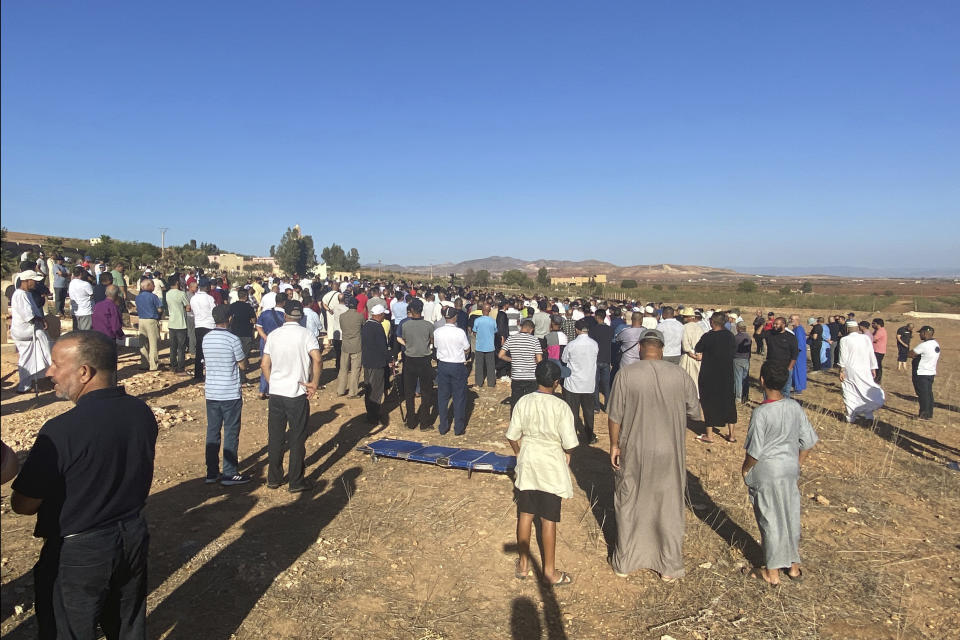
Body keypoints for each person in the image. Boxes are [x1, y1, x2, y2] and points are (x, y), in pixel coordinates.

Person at [11, 331, 157, 639]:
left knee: (68, 630)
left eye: (55, 364)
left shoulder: (61, 431)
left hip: (79, 552)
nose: (49, 372)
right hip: (132, 535)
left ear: (84, 372)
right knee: (128, 624)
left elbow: (23, 504)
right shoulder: (140, 412)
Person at [607, 329, 700, 580]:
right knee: (668, 505)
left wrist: (614, 445)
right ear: (661, 349)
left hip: (635, 449)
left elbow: (614, 416)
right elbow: (695, 412)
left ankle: (625, 562)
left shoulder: (626, 375)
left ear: (640, 348)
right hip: (670, 452)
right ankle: (668, 565)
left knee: (629, 502)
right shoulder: (679, 375)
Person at [741, 361, 818, 586]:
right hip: (789, 469)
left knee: (770, 519)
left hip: (767, 471)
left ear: (762, 381)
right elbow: (808, 441)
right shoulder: (794, 407)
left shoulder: (761, 412)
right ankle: (793, 567)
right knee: (790, 516)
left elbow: (754, 450)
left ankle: (771, 572)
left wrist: (746, 469)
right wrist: (797, 463)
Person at [507, 360, 579, 586]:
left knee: (525, 514)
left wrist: (519, 453)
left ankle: (523, 564)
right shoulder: (561, 407)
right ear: (556, 383)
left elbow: (512, 435)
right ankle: (549, 571)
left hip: (528, 460)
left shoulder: (524, 402)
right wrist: (567, 454)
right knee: (548, 519)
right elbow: (570, 443)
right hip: (550, 465)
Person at [261, 301, 321, 492]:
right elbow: (317, 358)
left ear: (285, 315)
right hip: (296, 393)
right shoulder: (306, 335)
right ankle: (295, 481)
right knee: (297, 438)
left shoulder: (274, 335)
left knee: (276, 436)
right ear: (301, 317)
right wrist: (314, 382)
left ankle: (274, 477)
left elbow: (264, 365)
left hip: (277, 393)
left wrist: (273, 382)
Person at [202, 305, 251, 485]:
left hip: (212, 392)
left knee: (212, 431)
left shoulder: (206, 339)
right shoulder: (233, 339)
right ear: (229, 319)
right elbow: (243, 365)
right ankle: (229, 473)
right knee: (231, 432)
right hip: (230, 392)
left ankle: (212, 472)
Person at [695, 314, 738, 443]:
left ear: (712, 322)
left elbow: (698, 348)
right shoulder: (730, 336)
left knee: (709, 402)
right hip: (727, 374)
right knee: (729, 401)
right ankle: (731, 435)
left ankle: (709, 435)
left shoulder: (708, 336)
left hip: (710, 374)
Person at [10, 270, 53, 393]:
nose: (35, 283)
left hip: (28, 329)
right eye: (33, 281)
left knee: (28, 357)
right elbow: (28, 315)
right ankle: (50, 363)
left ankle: (27, 384)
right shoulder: (20, 294)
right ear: (26, 281)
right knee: (42, 337)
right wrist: (42, 320)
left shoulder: (27, 293)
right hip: (24, 330)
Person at [398, 298, 435, 429]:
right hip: (424, 360)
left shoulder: (405, 325)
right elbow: (432, 340)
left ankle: (411, 422)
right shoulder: (429, 325)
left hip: (410, 360)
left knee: (409, 392)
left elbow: (404, 339)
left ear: (411, 311)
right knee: (426, 392)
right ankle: (424, 423)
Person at [434, 305, 471, 435]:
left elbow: (436, 346)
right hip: (457, 365)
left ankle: (443, 426)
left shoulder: (438, 331)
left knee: (442, 397)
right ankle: (458, 428)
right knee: (459, 397)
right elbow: (467, 348)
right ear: (455, 317)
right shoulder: (460, 332)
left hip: (443, 365)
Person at [839, 320, 885, 423]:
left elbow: (843, 357)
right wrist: (873, 367)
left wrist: (841, 370)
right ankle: (868, 414)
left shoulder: (844, 340)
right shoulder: (865, 338)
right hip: (865, 369)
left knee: (850, 391)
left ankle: (850, 416)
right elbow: (871, 353)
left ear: (847, 329)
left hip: (851, 370)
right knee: (866, 389)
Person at [561, 319, 598, 444]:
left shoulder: (571, 345)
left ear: (577, 330)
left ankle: (572, 437)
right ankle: (589, 435)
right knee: (588, 411)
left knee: (572, 412)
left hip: (573, 383)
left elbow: (564, 359)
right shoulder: (594, 344)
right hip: (588, 383)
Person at [499, 319, 543, 413]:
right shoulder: (534, 340)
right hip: (531, 376)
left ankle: (515, 422)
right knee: (530, 403)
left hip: (516, 376)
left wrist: (512, 360)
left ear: (521, 327)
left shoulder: (511, 338)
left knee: (515, 402)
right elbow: (539, 360)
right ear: (531, 330)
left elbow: (501, 355)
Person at [255, 292, 287, 398]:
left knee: (265, 365)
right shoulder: (286, 316)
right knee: (278, 366)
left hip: (265, 342)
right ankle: (275, 389)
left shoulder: (265, 313)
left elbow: (258, 326)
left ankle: (262, 390)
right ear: (284, 302)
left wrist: (265, 337)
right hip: (280, 343)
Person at [361, 305, 390, 424]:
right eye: (383, 314)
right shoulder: (378, 327)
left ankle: (370, 413)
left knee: (369, 388)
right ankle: (374, 416)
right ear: (379, 315)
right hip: (377, 363)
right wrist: (389, 359)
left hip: (368, 361)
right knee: (376, 390)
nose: (385, 316)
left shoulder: (366, 325)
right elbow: (382, 347)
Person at [764, 317, 799, 398]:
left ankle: (784, 408)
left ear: (783, 325)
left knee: (785, 390)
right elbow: (757, 335)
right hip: (771, 367)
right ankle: (768, 406)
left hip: (785, 367)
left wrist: (789, 368)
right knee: (769, 389)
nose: (775, 326)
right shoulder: (770, 333)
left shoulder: (790, 337)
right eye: (774, 324)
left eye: (777, 324)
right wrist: (763, 325)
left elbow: (795, 354)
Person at [910, 326, 940, 420]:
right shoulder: (935, 344)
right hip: (930, 372)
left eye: (920, 333)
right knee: (928, 394)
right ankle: (929, 414)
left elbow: (911, 354)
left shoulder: (924, 345)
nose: (919, 335)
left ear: (924, 333)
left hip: (921, 372)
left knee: (923, 394)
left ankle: (924, 415)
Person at [336, 296, 364, 398]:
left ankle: (340, 390)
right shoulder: (360, 316)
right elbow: (363, 328)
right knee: (355, 369)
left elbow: (343, 328)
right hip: (356, 345)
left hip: (345, 345)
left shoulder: (342, 316)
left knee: (343, 368)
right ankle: (353, 392)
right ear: (356, 305)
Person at [135, 278, 163, 371]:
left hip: (141, 320)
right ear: (147, 286)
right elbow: (160, 309)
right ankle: (153, 365)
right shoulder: (153, 296)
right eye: (152, 284)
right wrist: (159, 316)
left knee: (143, 343)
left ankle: (144, 363)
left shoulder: (138, 297)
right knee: (153, 343)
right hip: (151, 320)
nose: (154, 286)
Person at [191, 282, 217, 381]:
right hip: (209, 325)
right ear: (207, 288)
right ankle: (211, 374)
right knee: (210, 351)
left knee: (199, 350)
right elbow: (214, 311)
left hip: (198, 325)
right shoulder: (209, 298)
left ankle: (198, 374)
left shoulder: (193, 298)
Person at [590, 308, 613, 412]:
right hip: (606, 358)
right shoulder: (610, 329)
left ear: (597, 317)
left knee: (595, 384)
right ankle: (608, 406)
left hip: (596, 359)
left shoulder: (593, 330)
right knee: (606, 385)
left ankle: (596, 406)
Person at [472, 302, 497, 388]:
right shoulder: (493, 321)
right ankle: (491, 383)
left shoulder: (477, 320)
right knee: (490, 366)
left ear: (482, 311)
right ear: (489, 311)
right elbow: (495, 331)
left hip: (480, 346)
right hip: (490, 346)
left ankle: (479, 382)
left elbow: (474, 332)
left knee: (479, 365)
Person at [679, 309, 704, 392]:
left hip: (688, 357)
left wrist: (692, 355)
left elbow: (685, 346)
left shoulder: (684, 328)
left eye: (684, 316)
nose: (683, 318)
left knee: (686, 379)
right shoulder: (700, 328)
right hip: (699, 356)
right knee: (697, 379)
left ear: (688, 317)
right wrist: (699, 356)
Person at [68, 266, 95, 330]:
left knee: (76, 334)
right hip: (85, 311)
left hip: (75, 312)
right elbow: (92, 295)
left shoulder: (71, 283)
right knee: (85, 335)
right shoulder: (85, 284)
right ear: (81, 273)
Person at [733, 321, 752, 404]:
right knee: (745, 379)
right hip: (746, 359)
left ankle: (738, 398)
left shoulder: (735, 337)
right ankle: (745, 396)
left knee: (738, 379)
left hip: (737, 359)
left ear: (738, 328)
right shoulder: (748, 337)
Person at [789, 315, 807, 394]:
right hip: (795, 353)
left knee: (798, 370)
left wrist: (795, 353)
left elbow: (800, 344)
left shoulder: (799, 330)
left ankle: (799, 388)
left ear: (797, 320)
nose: (790, 320)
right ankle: (795, 386)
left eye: (791, 319)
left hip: (799, 354)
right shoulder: (795, 329)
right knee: (795, 370)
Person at [871, 318, 887, 383]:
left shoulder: (880, 331)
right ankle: (877, 378)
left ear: (878, 324)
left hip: (879, 351)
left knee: (877, 365)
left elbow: (873, 339)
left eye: (873, 323)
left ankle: (877, 379)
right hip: (878, 350)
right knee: (877, 364)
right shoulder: (877, 330)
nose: (872, 325)